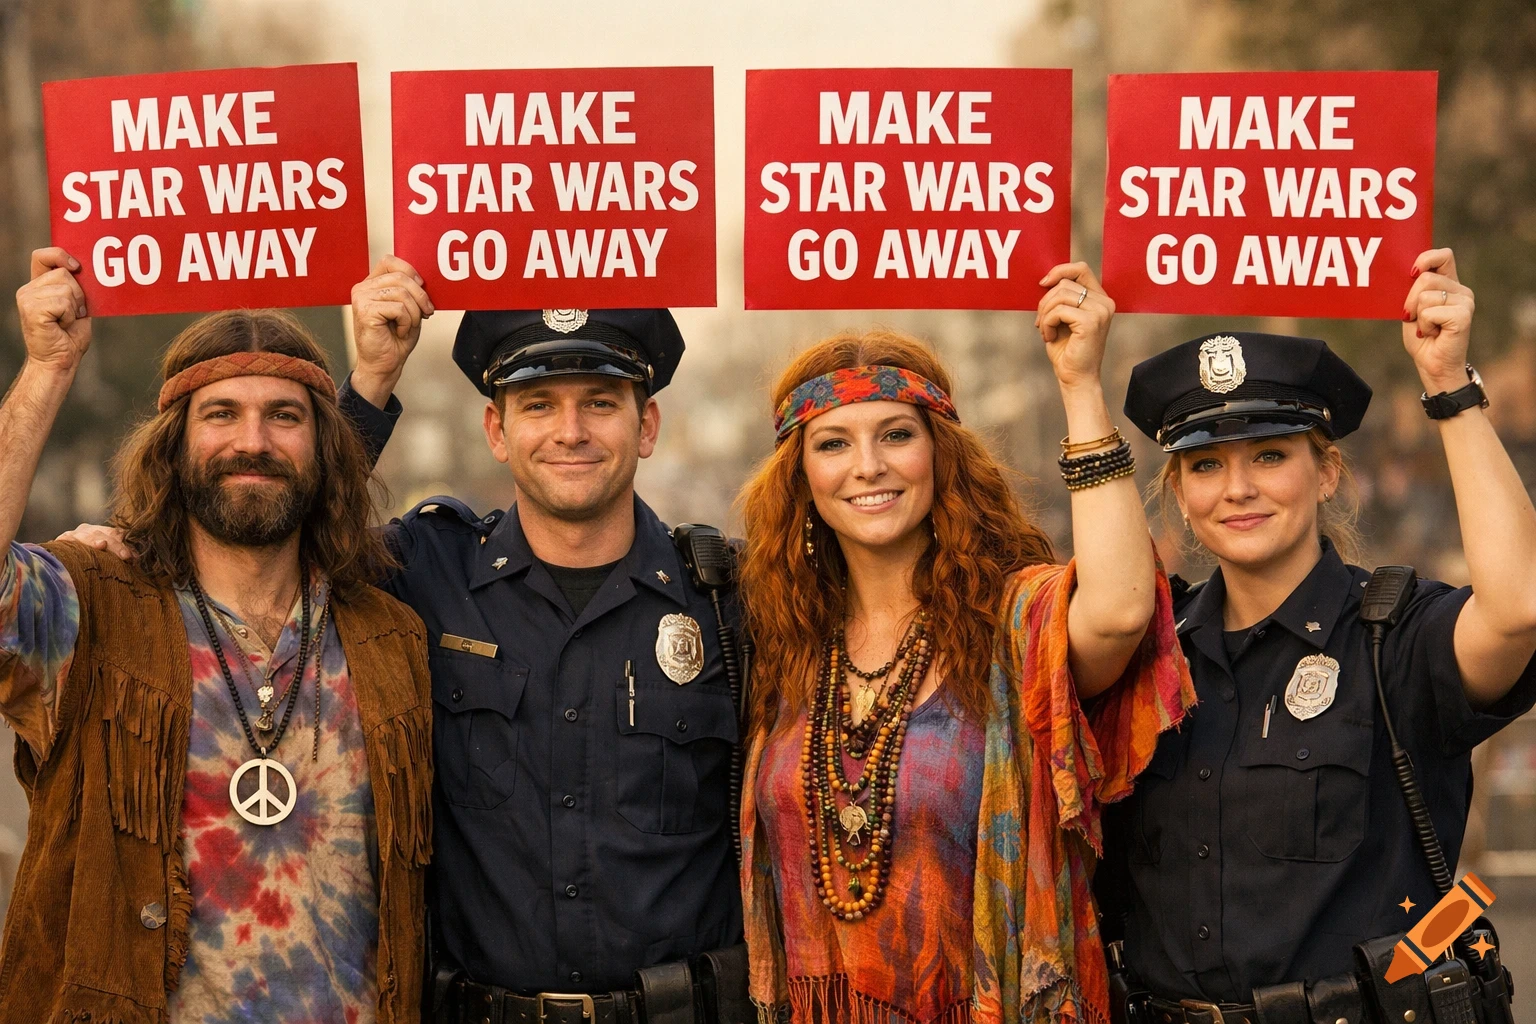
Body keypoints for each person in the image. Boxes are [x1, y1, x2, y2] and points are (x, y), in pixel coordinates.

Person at [735, 263, 1196, 1024]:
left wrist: (1080, 385)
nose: (868, 466)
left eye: (895, 435)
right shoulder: (782, 641)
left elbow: (1117, 612)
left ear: (940, 454)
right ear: (800, 476)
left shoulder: (1012, 619)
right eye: (832, 444)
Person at [1102, 248, 1536, 1024]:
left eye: (1270, 456)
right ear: (1178, 491)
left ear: (1327, 472)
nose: (1238, 488)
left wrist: (1448, 387)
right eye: (1205, 465)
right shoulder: (1144, 655)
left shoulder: (1393, 638)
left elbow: (1520, 609)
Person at [0, 248, 433, 1023]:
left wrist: (373, 374)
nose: (253, 441)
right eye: (221, 414)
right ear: (174, 445)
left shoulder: (387, 635)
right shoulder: (91, 608)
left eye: (285, 416)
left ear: (327, 447)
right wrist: (47, 369)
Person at [341, 260, 748, 1022]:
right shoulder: (429, 572)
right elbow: (287, 553)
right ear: (497, 430)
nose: (570, 431)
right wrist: (369, 379)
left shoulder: (730, 598)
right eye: (537, 404)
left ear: (647, 425)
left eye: (600, 402)